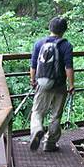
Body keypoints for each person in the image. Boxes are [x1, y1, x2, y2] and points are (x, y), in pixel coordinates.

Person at [29, 17, 74, 152]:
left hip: (42, 83)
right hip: (59, 85)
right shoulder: (66, 45)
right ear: (64, 30)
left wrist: (33, 81)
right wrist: (71, 85)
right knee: (55, 115)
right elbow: (69, 67)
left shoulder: (39, 44)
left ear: (50, 28)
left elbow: (33, 66)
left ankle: (37, 129)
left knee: (37, 111)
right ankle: (49, 143)